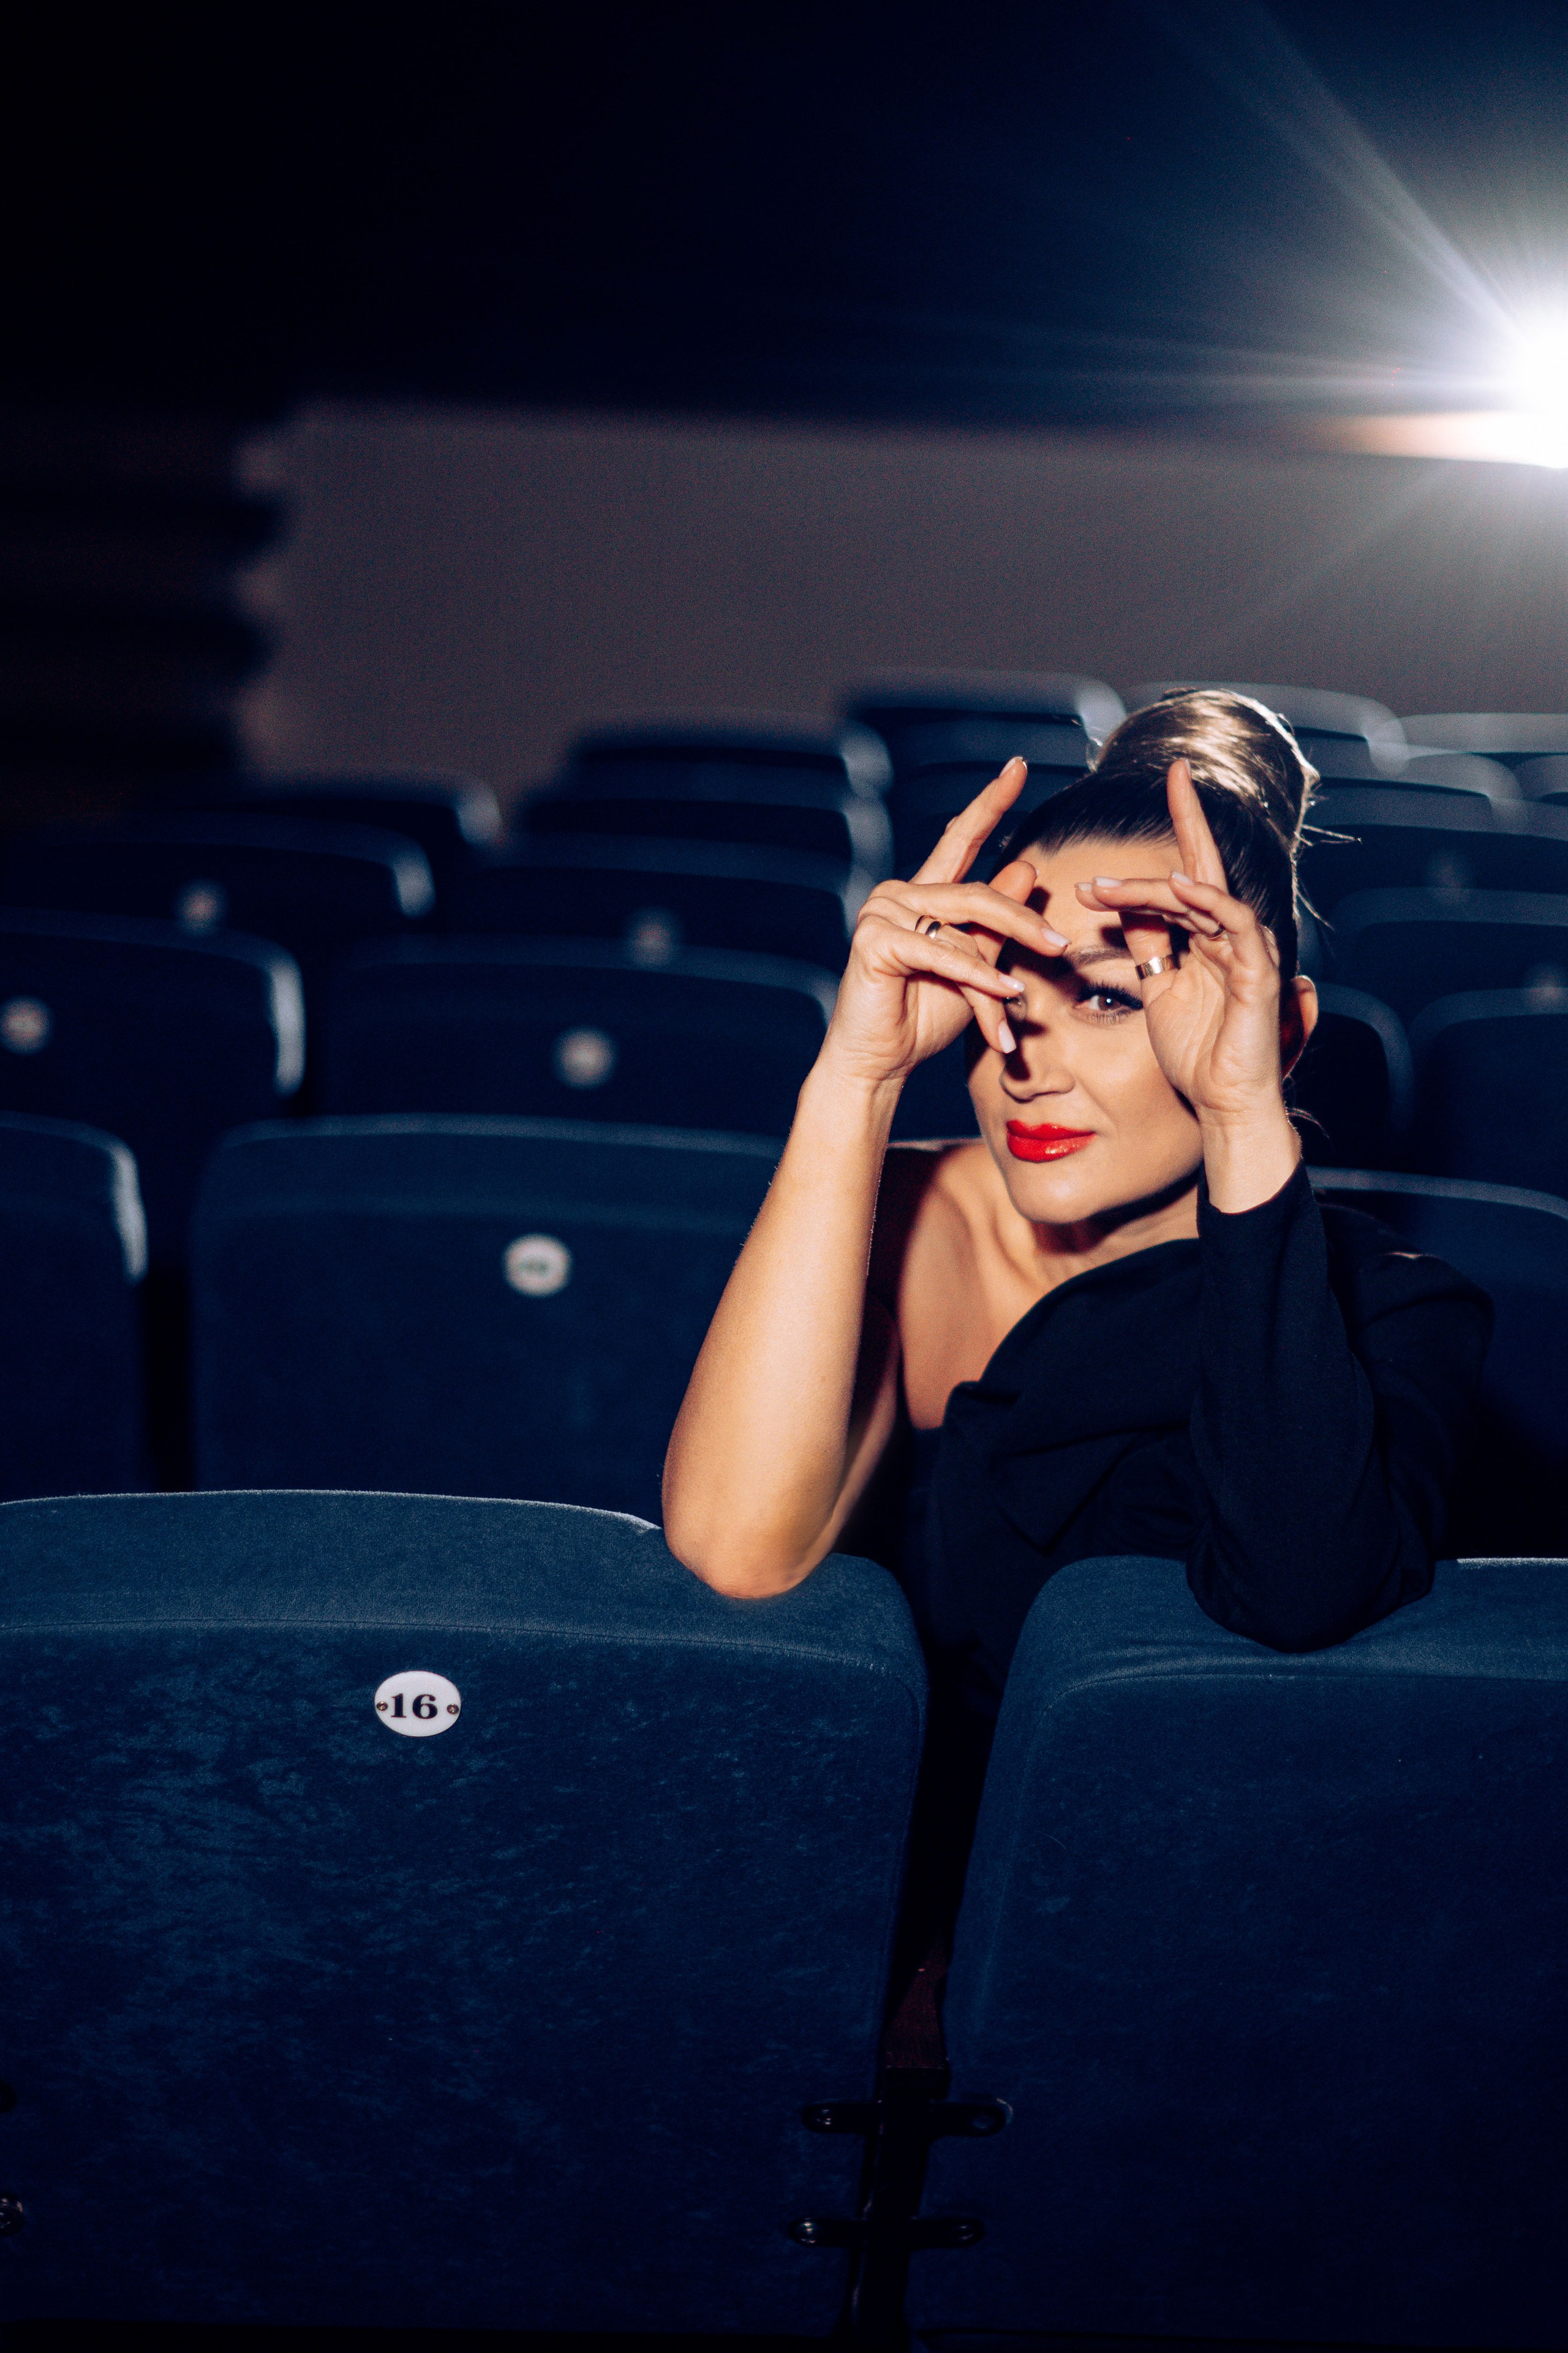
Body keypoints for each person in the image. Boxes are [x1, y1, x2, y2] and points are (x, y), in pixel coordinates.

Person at [663, 690, 1490, 1799]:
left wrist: (1245, 1114)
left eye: (1107, 996)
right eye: (1004, 980)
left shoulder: (1390, 1307)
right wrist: (855, 1081)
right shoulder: (889, 1221)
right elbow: (736, 1552)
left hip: (1184, 1895)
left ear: (1280, 1030)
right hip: (873, 1886)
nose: (1027, 1060)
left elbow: (1304, 1588)